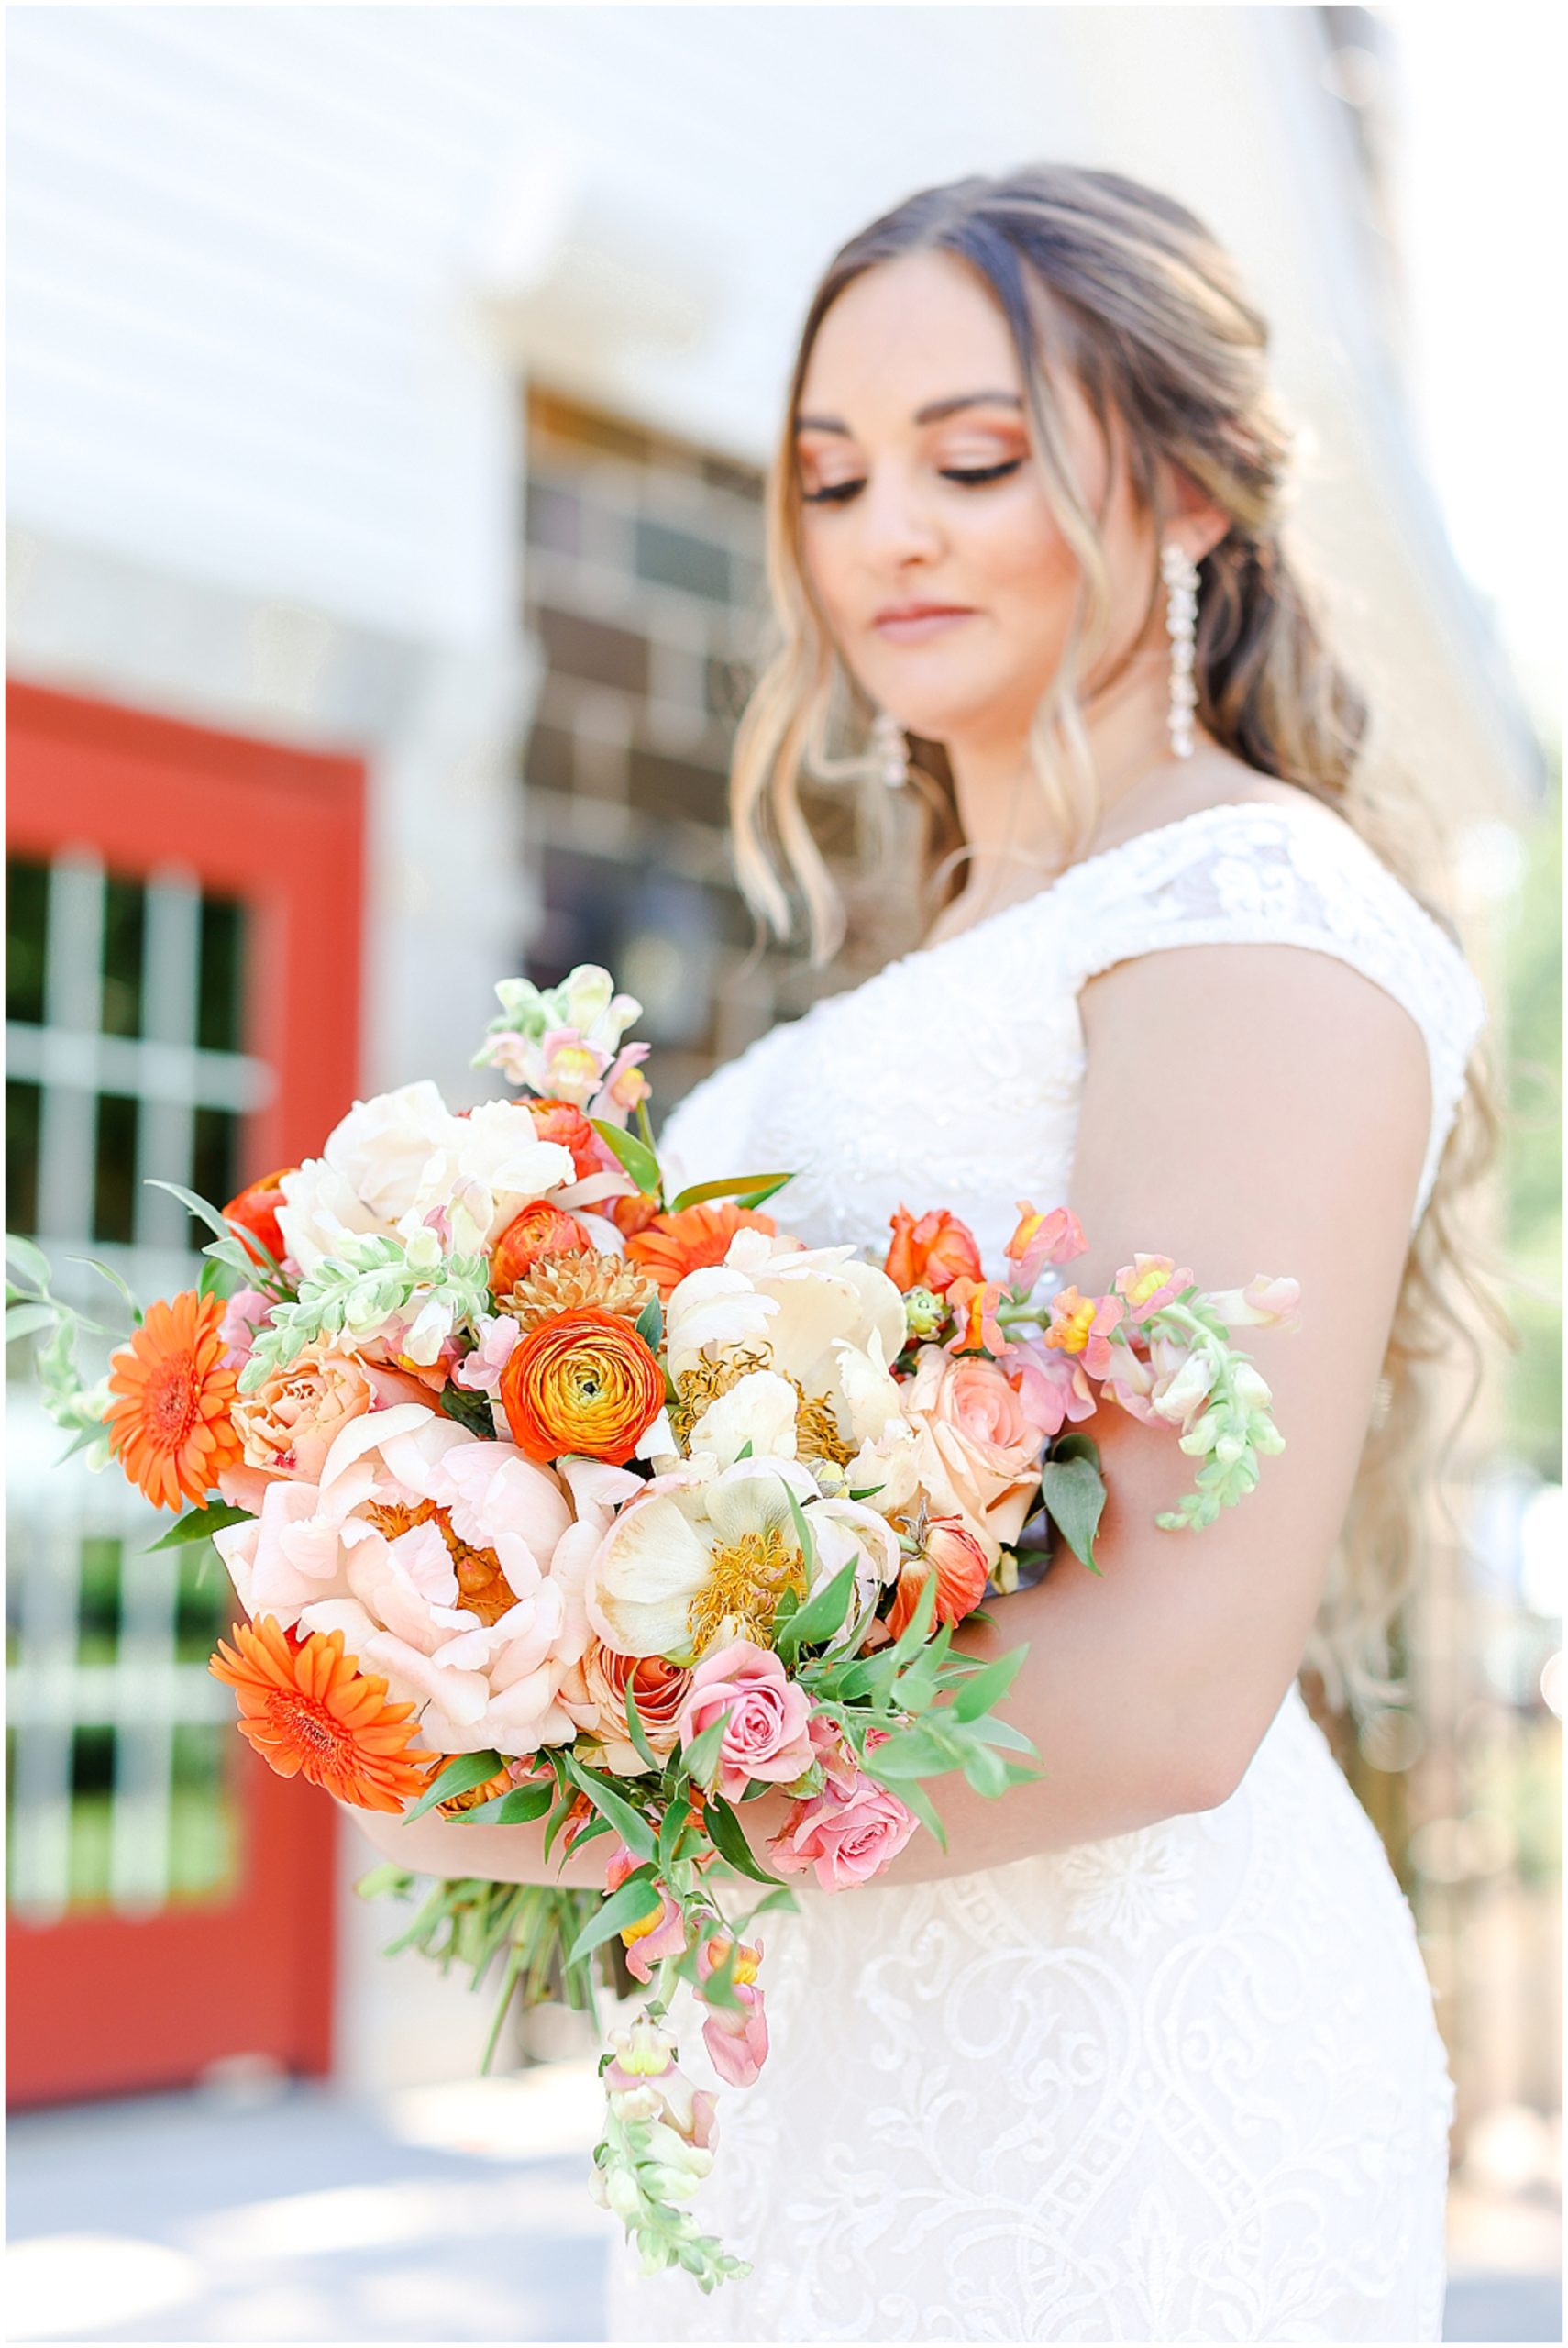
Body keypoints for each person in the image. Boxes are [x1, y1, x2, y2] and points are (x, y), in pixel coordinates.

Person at [352, 167, 1495, 2340]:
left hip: (1113, 2059)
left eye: (973, 460)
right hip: (813, 2028)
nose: (888, 530)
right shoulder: (969, 939)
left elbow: (1170, 1686)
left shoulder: (1251, 915)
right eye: (830, 474)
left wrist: (586, 1806)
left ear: (1187, 492)